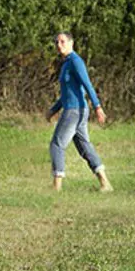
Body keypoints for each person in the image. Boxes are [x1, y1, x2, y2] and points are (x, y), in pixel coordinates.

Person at [46, 32, 113, 192]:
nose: (59, 45)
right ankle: (105, 183)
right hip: (75, 109)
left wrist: (97, 106)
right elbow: (67, 94)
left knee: (57, 145)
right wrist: (53, 110)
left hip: (74, 111)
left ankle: (56, 187)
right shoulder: (66, 64)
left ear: (71, 43)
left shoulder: (76, 62)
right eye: (56, 42)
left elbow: (87, 84)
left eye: (62, 41)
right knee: (84, 147)